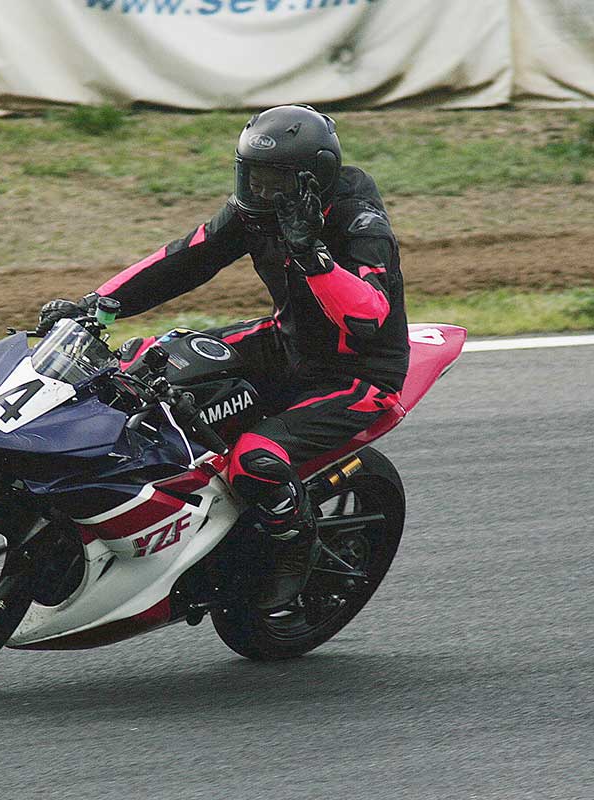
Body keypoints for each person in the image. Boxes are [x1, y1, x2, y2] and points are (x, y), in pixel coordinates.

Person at [37, 104, 410, 609]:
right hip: (285, 343)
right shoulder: (255, 211)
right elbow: (189, 257)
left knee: (255, 461)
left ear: (313, 179)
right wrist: (97, 305)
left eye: (275, 180)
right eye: (252, 175)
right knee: (139, 365)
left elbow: (368, 318)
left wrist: (312, 256)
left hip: (358, 375)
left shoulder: (359, 219)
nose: (260, 190)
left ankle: (293, 542)